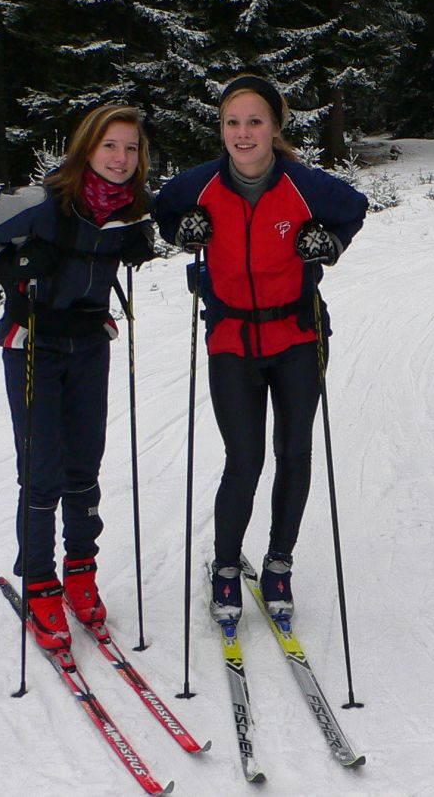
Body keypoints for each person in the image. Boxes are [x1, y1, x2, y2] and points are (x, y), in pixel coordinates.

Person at [154, 74, 368, 627]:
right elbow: (164, 211)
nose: (243, 133)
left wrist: (331, 243)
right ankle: (226, 569)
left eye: (255, 121)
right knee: (244, 460)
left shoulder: (304, 185)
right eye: (233, 122)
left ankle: (278, 565)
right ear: (221, 129)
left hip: (298, 336)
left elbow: (354, 207)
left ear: (275, 127)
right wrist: (184, 230)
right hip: (231, 339)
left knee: (294, 453)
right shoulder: (197, 186)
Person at [0, 105, 157, 649]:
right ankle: (40, 579)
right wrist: (8, 267)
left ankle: (80, 569)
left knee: (84, 464)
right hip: (34, 343)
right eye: (110, 146)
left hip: (89, 344)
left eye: (131, 149)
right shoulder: (41, 202)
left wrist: (146, 241)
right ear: (87, 147)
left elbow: (186, 209)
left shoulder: (131, 210)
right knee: (42, 470)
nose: (120, 158)